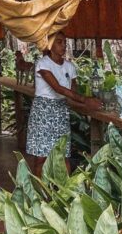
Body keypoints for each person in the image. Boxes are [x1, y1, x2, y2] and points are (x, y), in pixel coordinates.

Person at [26, 32, 102, 177]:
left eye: (65, 42)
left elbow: (72, 93)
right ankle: (40, 190)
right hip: (43, 112)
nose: (64, 45)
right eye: (59, 42)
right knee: (41, 157)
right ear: (50, 45)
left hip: (61, 112)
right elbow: (58, 88)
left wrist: (88, 105)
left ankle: (65, 190)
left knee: (63, 156)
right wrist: (85, 100)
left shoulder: (70, 67)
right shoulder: (43, 64)